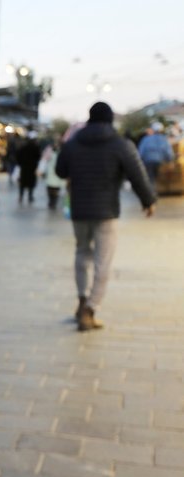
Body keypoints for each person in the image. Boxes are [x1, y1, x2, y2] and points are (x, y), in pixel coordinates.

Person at [55, 102, 156, 331]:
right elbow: (137, 175)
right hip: (106, 211)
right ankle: (90, 309)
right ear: (110, 119)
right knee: (103, 261)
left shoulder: (73, 143)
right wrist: (148, 201)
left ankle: (81, 300)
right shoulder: (121, 144)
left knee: (82, 252)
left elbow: (60, 171)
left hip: (79, 209)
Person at [137, 121, 174, 185]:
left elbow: (141, 151)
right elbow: (168, 152)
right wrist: (170, 161)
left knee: (150, 178)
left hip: (148, 161)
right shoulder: (164, 139)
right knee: (157, 177)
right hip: (159, 161)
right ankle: (155, 190)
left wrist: (140, 161)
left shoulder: (146, 139)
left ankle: (152, 191)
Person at [15, 131, 41, 204]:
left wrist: (20, 164)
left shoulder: (23, 147)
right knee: (31, 183)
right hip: (32, 168)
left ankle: (21, 196)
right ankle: (30, 196)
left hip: (24, 168)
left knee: (23, 183)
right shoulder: (36, 147)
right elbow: (38, 157)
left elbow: (18, 156)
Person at [40, 139, 64, 210]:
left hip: (56, 173)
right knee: (51, 188)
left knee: (55, 188)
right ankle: (52, 201)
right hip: (52, 173)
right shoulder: (49, 151)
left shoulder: (61, 152)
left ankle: (53, 201)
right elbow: (44, 161)